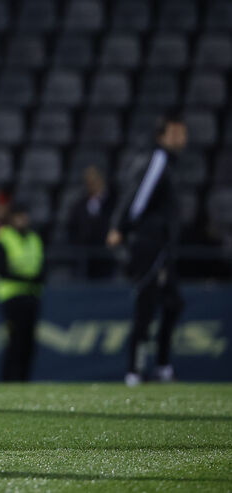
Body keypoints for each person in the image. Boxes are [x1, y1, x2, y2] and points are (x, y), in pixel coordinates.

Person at [107, 112, 187, 387]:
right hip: (149, 243)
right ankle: (134, 370)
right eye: (175, 133)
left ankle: (162, 365)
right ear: (161, 137)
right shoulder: (158, 159)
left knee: (173, 304)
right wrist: (120, 227)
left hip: (162, 245)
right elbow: (138, 197)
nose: (181, 138)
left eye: (182, 133)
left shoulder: (169, 162)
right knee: (146, 305)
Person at [0, 201, 45, 382]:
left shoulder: (34, 238)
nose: (23, 220)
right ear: (12, 218)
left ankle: (23, 380)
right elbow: (2, 270)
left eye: (25, 215)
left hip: (32, 295)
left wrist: (33, 279)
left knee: (29, 342)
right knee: (15, 341)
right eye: (19, 216)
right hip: (11, 296)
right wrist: (28, 278)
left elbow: (42, 267)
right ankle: (8, 380)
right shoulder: (4, 238)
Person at [66, 165, 116, 279]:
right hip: (85, 259)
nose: (92, 184)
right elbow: (72, 228)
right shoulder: (79, 205)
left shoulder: (112, 203)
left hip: (106, 257)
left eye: (95, 180)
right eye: (89, 181)